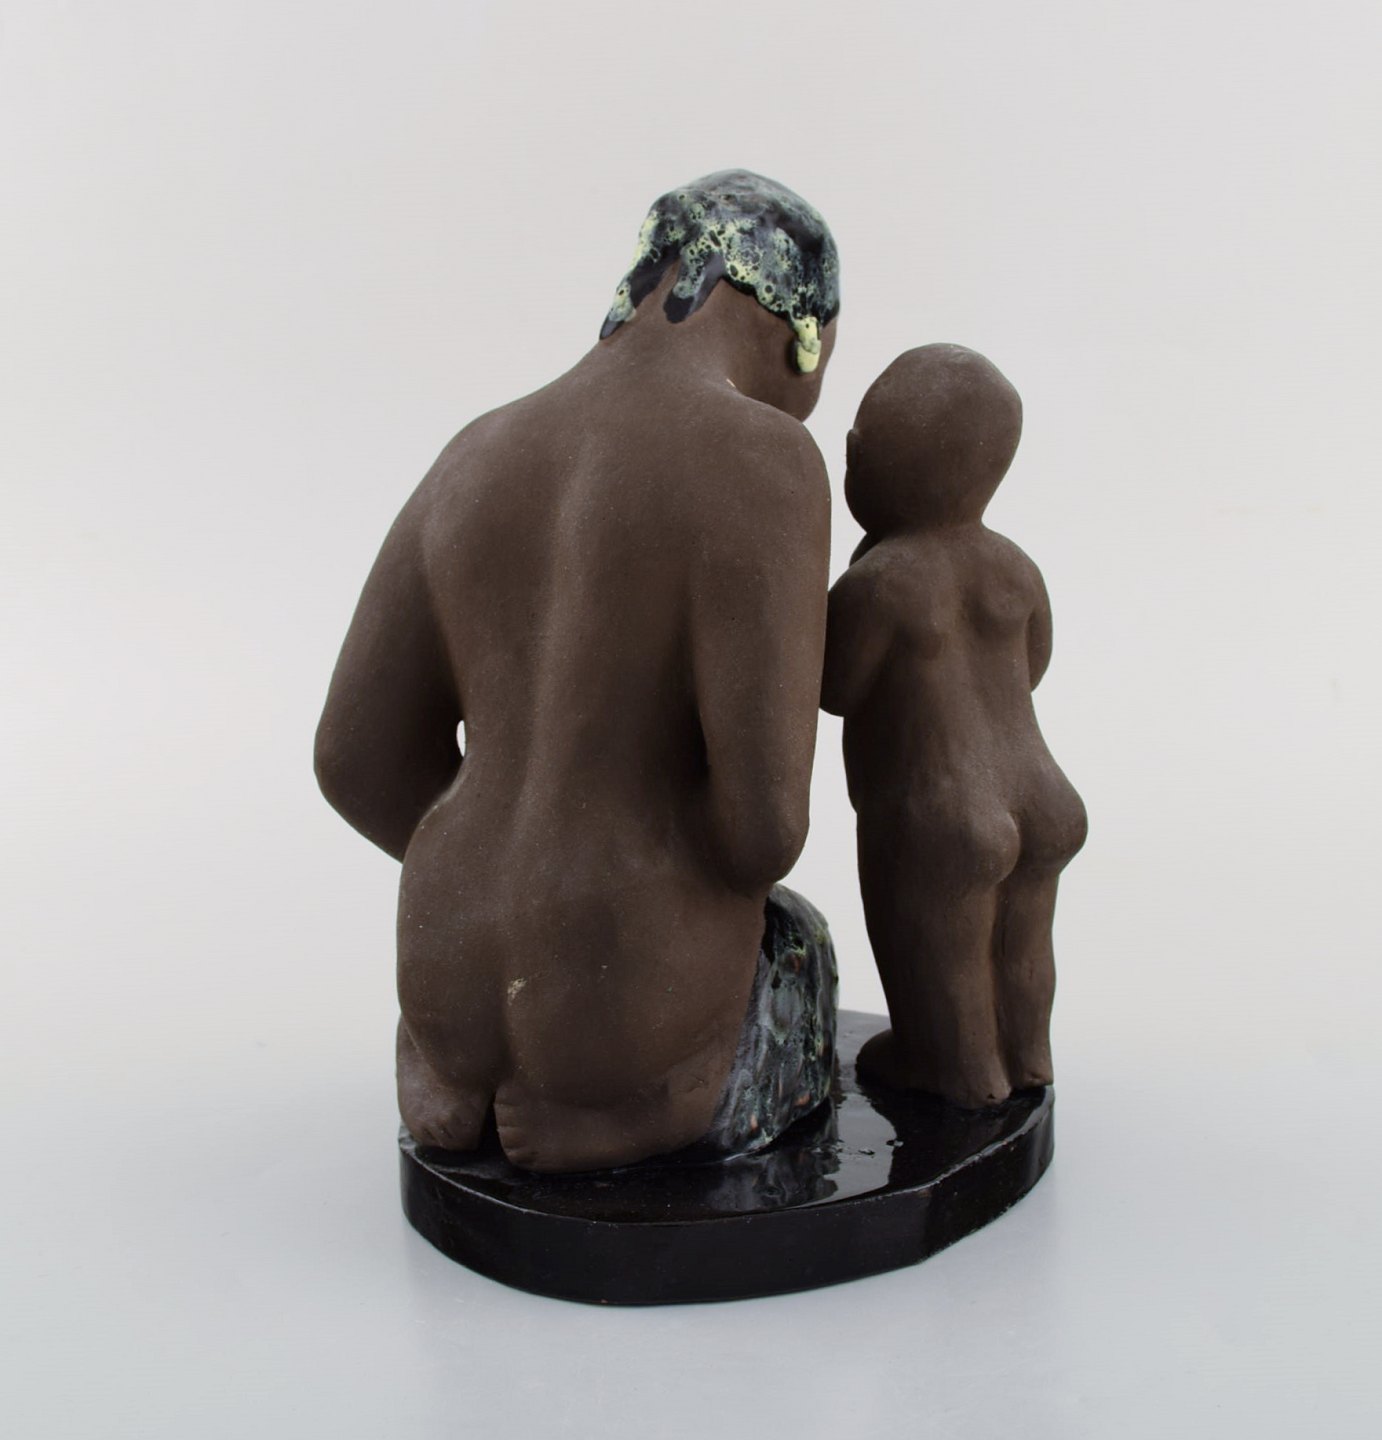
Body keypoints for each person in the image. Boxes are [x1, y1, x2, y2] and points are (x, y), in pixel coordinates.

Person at [316, 172, 839, 1172]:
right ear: (802, 336)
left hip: (439, 955)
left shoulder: (475, 451)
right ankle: (644, 1100)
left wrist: (503, 862)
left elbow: (352, 759)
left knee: (502, 898)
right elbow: (763, 831)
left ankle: (454, 1074)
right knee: (794, 945)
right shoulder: (767, 460)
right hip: (623, 988)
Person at [822, 345, 1087, 1108]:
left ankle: (955, 1068)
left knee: (938, 947)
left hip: (940, 807)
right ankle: (1027, 1054)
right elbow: (1032, 665)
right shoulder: (1015, 567)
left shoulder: (879, 583)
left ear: (873, 462)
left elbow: (835, 689)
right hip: (1042, 790)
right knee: (1025, 937)